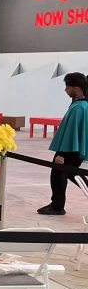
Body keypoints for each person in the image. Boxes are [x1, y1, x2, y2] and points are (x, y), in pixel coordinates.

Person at [38, 72, 88, 216]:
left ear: (76, 87)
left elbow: (71, 133)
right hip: (74, 149)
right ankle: (56, 204)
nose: (66, 90)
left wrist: (61, 154)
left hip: (69, 150)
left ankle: (57, 206)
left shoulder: (78, 108)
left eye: (68, 86)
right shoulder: (82, 105)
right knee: (73, 174)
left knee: (58, 175)